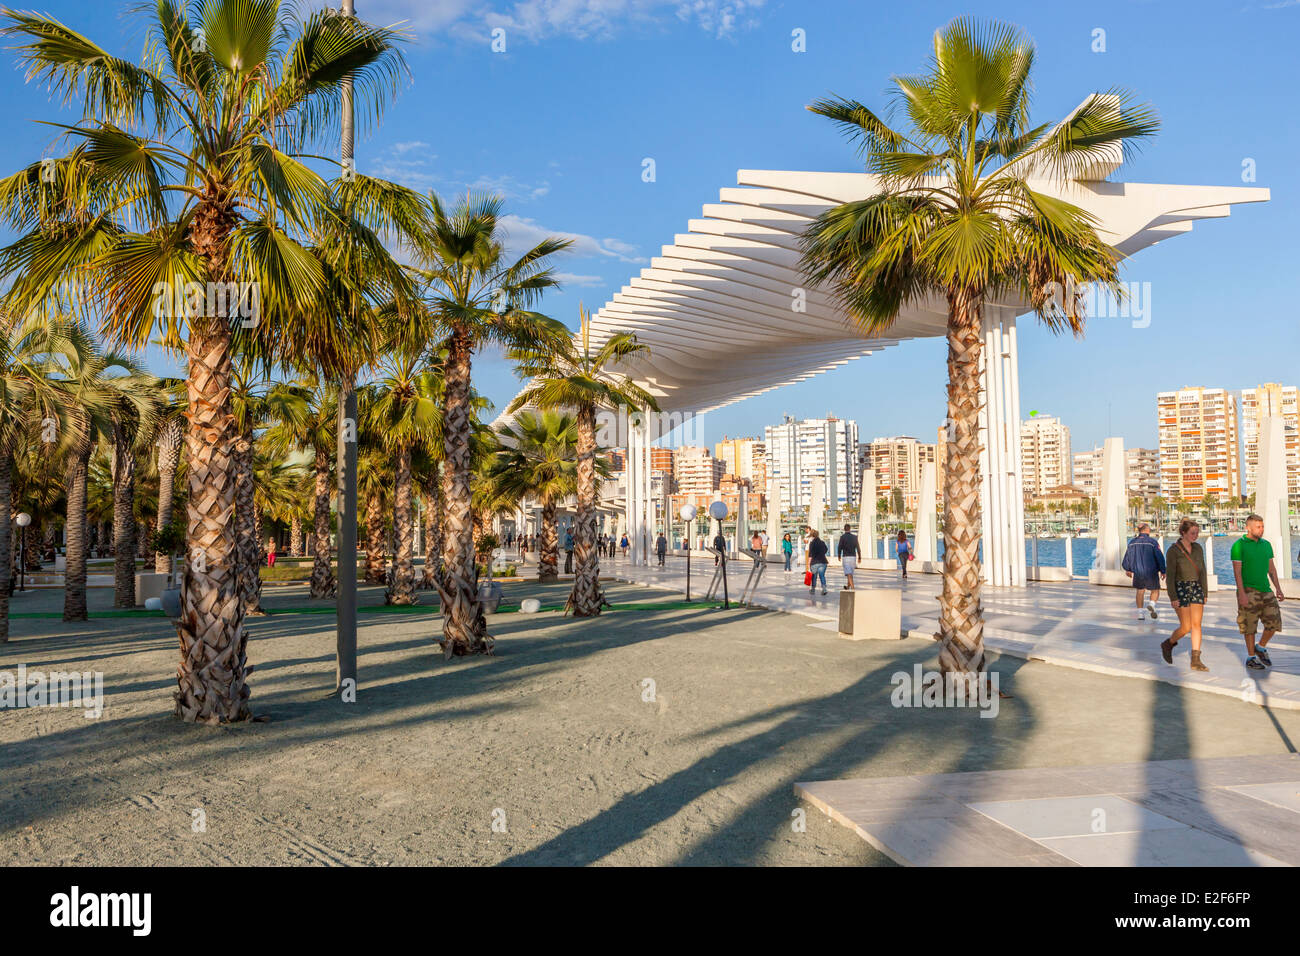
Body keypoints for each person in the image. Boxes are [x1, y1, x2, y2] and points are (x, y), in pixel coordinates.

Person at [1231, 513, 1286, 671]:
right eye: (1258, 527)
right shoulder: (1238, 545)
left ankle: (1260, 647)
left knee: (1274, 623)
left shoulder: (1266, 545)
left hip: (1265, 590)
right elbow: (1237, 572)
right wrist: (1241, 593)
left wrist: (1278, 588)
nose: (1261, 530)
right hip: (1248, 590)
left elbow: (1272, 569)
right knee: (1249, 626)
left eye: (1262, 527)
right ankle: (1251, 657)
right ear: (1248, 528)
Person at [1162, 518, 1209, 671]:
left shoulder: (1198, 549)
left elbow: (1202, 571)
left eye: (1197, 533)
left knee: (1197, 625)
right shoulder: (1173, 551)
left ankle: (1196, 659)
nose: (1195, 536)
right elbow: (1170, 575)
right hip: (1180, 588)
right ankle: (1168, 644)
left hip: (1196, 587)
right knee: (1186, 626)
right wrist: (1173, 597)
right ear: (1183, 533)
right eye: (1192, 533)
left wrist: (1205, 591)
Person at [1122, 522, 1166, 621]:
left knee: (1140, 591)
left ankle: (1140, 614)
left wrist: (1127, 568)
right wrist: (1163, 570)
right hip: (1151, 571)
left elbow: (1127, 557)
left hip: (1138, 572)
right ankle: (1151, 604)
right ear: (1147, 530)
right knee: (1155, 590)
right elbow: (1159, 557)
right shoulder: (1152, 542)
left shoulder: (1132, 542)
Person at [837, 523, 861, 590]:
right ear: (850, 529)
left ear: (844, 529)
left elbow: (839, 547)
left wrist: (839, 555)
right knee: (850, 573)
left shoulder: (842, 537)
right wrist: (859, 557)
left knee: (849, 574)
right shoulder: (854, 537)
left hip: (846, 557)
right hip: (853, 557)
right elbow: (858, 548)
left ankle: (853, 588)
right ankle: (847, 587)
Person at [805, 527, 829, 596]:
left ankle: (813, 589)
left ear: (812, 536)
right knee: (822, 576)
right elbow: (825, 550)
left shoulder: (812, 543)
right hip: (823, 562)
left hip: (814, 562)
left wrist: (808, 565)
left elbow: (810, 555)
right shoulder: (822, 542)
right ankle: (824, 589)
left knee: (814, 577)